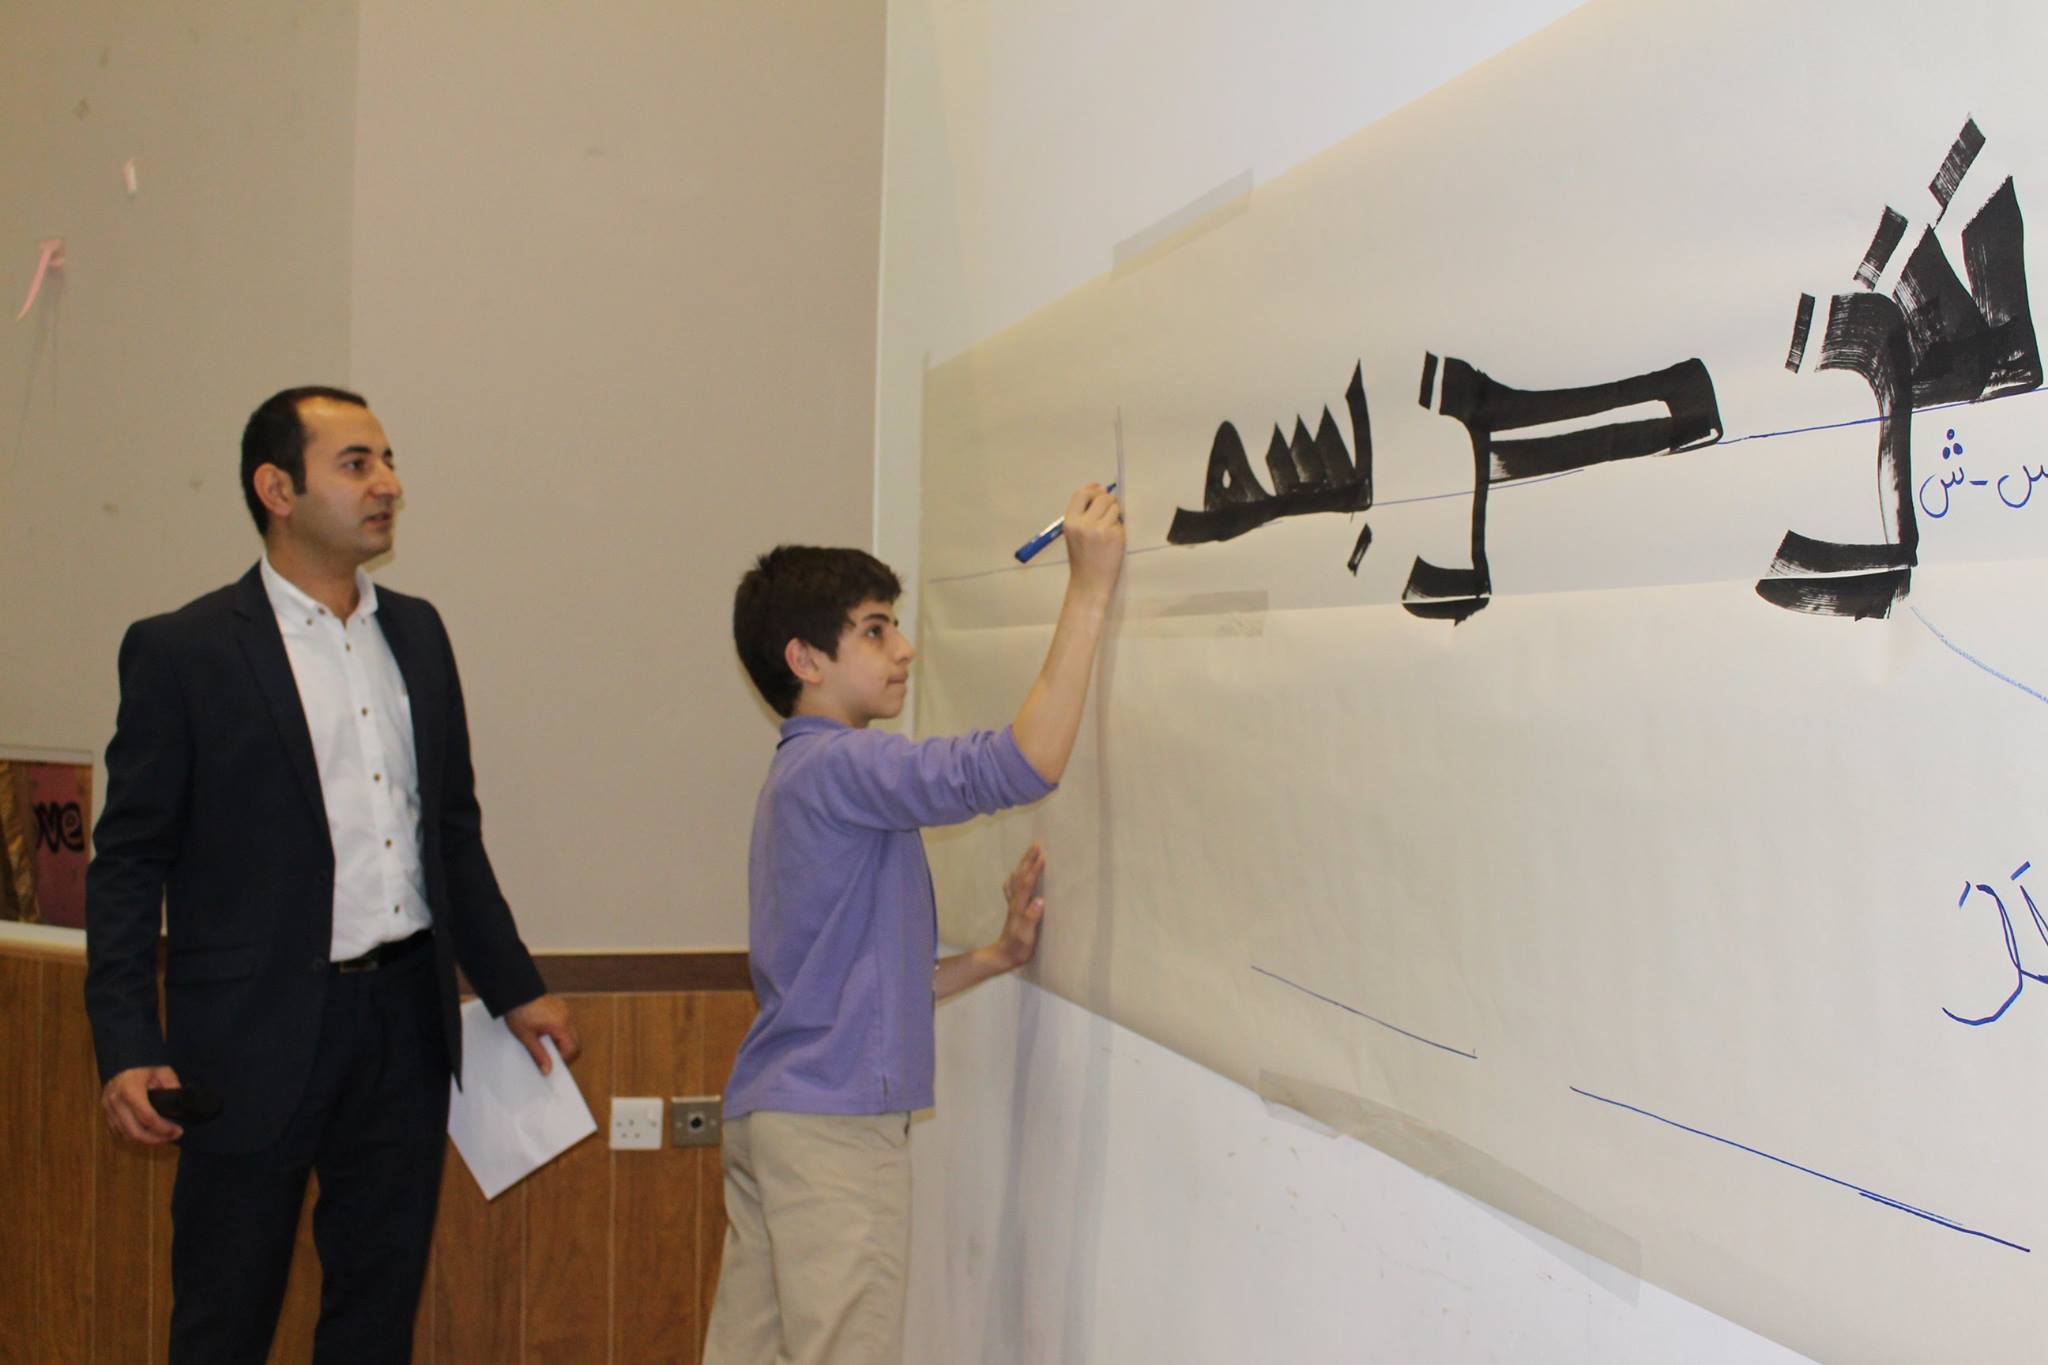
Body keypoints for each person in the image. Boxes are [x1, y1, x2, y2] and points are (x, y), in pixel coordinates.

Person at [83, 386, 579, 1364]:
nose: (387, 484)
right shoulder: (185, 650)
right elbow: (129, 862)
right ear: (277, 489)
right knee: (225, 1316)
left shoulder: (419, 633)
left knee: (376, 1310)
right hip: (249, 1033)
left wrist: (515, 988)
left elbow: (451, 833)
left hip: (405, 1021)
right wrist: (127, 1042)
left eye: (388, 461)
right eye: (356, 464)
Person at [706, 484, 1124, 1365]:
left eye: (894, 625)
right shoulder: (843, 765)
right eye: (874, 630)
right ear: (805, 659)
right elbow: (1023, 762)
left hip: (776, 1117)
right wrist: (1088, 588)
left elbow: (857, 985)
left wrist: (995, 956)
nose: (903, 649)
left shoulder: (798, 779)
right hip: (832, 1131)